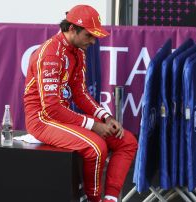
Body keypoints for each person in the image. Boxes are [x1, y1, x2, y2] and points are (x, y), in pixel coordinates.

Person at [23, 5, 138, 202]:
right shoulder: (51, 54)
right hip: (42, 120)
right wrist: (94, 125)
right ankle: (95, 200)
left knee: (127, 142)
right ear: (71, 29)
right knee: (96, 147)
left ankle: (110, 199)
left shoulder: (77, 51)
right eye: (89, 35)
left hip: (61, 115)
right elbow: (51, 108)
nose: (93, 41)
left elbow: (80, 93)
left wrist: (105, 116)